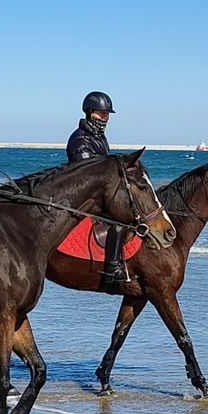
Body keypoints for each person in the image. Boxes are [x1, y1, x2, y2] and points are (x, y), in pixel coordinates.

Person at [66, 91, 128, 293]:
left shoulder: (99, 137)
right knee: (119, 220)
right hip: (85, 196)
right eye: (101, 113)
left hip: (97, 193)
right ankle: (111, 268)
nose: (105, 118)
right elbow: (88, 175)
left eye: (107, 114)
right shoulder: (80, 139)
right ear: (90, 112)